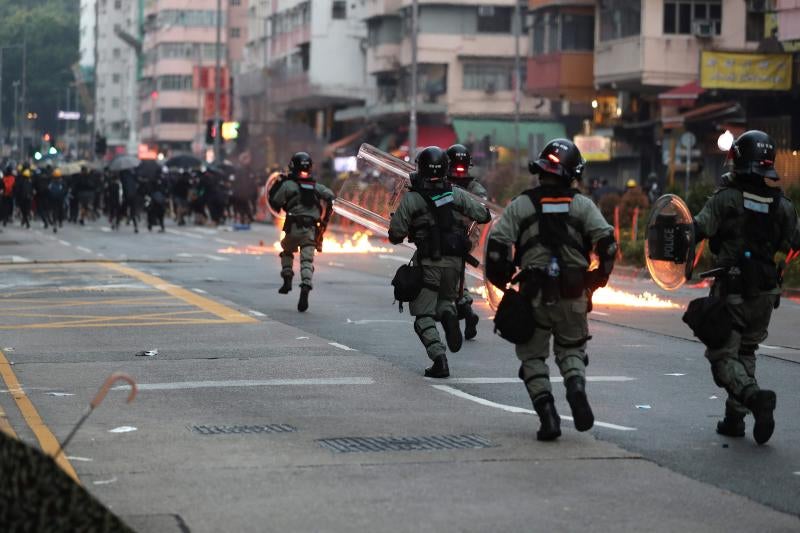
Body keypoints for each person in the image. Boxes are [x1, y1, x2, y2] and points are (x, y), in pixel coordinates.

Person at [486, 139, 617, 441]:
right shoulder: (583, 205)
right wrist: (597, 279)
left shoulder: (522, 204)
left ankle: (548, 418)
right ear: (573, 174)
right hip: (574, 295)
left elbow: (496, 246)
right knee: (571, 350)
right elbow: (608, 244)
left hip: (534, 296)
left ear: (540, 170)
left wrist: (502, 281)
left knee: (532, 358)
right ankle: (575, 386)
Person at [691, 130, 799, 445]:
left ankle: (753, 398)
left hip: (732, 288)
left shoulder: (726, 198)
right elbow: (795, 240)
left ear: (738, 160)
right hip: (766, 292)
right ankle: (735, 419)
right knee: (747, 350)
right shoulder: (782, 204)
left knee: (722, 353)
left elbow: (697, 228)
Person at [388, 147, 491, 378]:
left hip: (429, 262)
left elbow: (395, 234)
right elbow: (484, 215)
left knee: (422, 316)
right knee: (445, 299)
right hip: (455, 264)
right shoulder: (457, 193)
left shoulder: (412, 198)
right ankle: (448, 315)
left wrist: (408, 224)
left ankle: (439, 359)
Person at [269, 152, 335, 312]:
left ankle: (287, 276)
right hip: (311, 230)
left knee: (286, 251)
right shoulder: (315, 186)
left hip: (293, 227)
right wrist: (325, 219)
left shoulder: (288, 185)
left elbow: (275, 201)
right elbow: (331, 197)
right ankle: (306, 284)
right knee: (307, 261)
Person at [446, 143, 489, 340]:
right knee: (455, 271)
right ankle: (465, 308)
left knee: (448, 272)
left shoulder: (471, 188)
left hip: (459, 236)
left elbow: (482, 211)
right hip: (462, 237)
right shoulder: (475, 187)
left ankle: (464, 307)